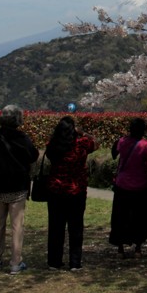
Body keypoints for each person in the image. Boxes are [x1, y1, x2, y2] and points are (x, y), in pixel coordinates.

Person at [0, 105, 39, 275]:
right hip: (17, 187)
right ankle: (15, 262)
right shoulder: (22, 138)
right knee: (17, 226)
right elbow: (33, 155)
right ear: (18, 120)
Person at [44, 115, 97, 271]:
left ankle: (54, 261)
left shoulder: (53, 145)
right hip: (76, 190)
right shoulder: (82, 144)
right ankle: (75, 262)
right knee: (76, 227)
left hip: (55, 190)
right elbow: (95, 142)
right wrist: (82, 133)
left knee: (55, 227)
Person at [109, 117, 147, 258]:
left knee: (120, 217)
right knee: (141, 218)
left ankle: (120, 248)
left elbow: (114, 154)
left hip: (122, 185)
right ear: (144, 130)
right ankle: (138, 248)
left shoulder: (122, 142)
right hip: (141, 186)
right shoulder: (146, 144)